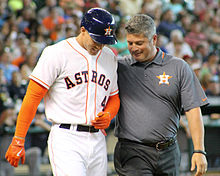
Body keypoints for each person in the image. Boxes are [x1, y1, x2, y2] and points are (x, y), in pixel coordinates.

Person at [5, 7, 120, 176]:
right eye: (97, 40)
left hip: (97, 139)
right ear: (83, 30)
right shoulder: (57, 53)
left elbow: (114, 97)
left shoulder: (109, 56)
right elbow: (32, 98)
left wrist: (109, 114)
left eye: (104, 41)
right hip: (67, 137)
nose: (100, 45)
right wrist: (18, 139)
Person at [114, 14, 208, 176]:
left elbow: (193, 110)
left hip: (169, 152)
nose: (134, 48)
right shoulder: (119, 67)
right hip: (132, 152)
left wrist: (199, 150)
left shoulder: (179, 67)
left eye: (139, 43)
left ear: (154, 39)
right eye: (130, 43)